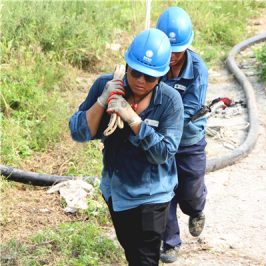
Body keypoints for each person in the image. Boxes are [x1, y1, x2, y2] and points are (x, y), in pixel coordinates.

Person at [69, 28, 184, 266]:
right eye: (136, 73)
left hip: (152, 196)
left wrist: (132, 119)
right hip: (117, 191)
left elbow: (163, 153)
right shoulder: (106, 84)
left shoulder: (170, 102)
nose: (140, 82)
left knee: (144, 259)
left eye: (149, 78)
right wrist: (103, 100)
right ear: (127, 66)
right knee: (132, 252)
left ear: (161, 77)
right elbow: (79, 132)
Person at [156, 7, 209, 263]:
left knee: (190, 192)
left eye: (177, 51)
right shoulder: (154, 61)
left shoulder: (197, 68)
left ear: (187, 47)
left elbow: (189, 108)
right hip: (161, 141)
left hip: (188, 140)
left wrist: (159, 119)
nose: (172, 57)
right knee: (164, 191)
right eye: (169, 50)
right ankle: (170, 242)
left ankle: (197, 210)